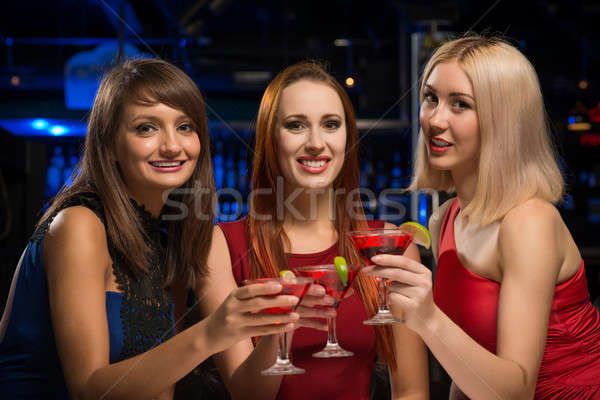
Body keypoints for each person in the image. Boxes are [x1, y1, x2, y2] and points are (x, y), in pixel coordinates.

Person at [0, 58, 300, 399]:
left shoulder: (172, 237)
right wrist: (211, 332)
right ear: (110, 144)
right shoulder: (78, 224)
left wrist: (276, 328)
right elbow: (87, 390)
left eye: (185, 126)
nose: (172, 145)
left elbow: (167, 387)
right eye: (147, 128)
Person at [366, 35, 600, 399]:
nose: (435, 120)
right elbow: (471, 368)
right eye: (431, 98)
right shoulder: (445, 218)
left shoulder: (528, 222)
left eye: (460, 104)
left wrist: (427, 318)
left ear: (503, 121)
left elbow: (515, 392)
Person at [199, 61, 429, 400]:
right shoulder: (223, 245)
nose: (316, 143)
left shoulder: (386, 247)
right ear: (270, 138)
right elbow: (247, 394)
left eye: (331, 125)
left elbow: (411, 392)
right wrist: (285, 325)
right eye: (296, 126)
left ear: (348, 137)